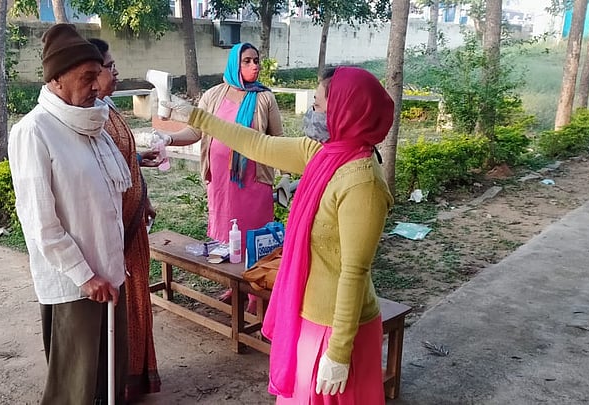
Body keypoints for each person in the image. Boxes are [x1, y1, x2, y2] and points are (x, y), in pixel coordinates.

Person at [163, 66, 395, 403]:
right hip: (307, 312)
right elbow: (257, 143)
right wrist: (197, 116)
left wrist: (340, 352)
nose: (311, 112)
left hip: (338, 327)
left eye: (317, 105)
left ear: (344, 110)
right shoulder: (323, 154)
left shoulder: (362, 183)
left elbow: (354, 271)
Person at [8, 24, 129, 404]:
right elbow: (39, 221)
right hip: (76, 283)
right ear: (57, 80)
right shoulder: (34, 131)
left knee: (108, 379)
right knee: (73, 389)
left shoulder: (93, 125)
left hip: (109, 274)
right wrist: (85, 275)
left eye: (99, 75)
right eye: (88, 77)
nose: (98, 86)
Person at [155, 42, 284, 312]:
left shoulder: (264, 98)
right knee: (226, 236)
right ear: (234, 64)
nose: (254, 66)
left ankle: (255, 295)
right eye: (247, 61)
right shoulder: (213, 96)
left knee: (253, 238)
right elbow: (195, 132)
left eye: (256, 61)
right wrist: (168, 138)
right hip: (221, 184)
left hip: (253, 183)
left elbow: (277, 141)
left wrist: (284, 176)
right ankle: (233, 284)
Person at [88, 37, 162, 402]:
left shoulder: (108, 110)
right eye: (109, 66)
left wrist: (141, 180)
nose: (116, 71)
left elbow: (123, 163)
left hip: (134, 230)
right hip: (116, 236)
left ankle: (138, 376)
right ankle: (123, 382)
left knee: (138, 304)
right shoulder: (88, 121)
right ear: (90, 73)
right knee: (124, 308)